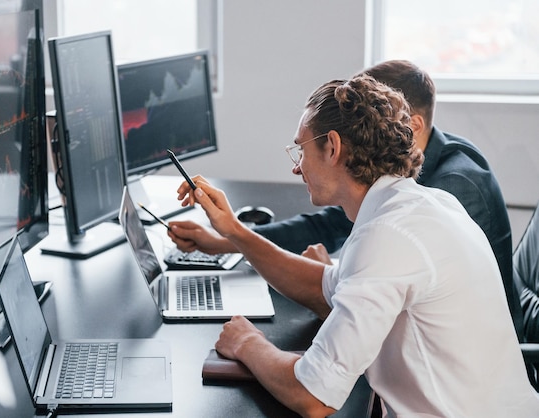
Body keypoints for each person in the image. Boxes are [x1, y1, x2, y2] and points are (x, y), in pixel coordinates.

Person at [169, 76, 539, 416]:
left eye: (301, 150)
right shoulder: (424, 206)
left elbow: (312, 396)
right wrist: (234, 232)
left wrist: (248, 343)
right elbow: (322, 287)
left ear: (332, 147)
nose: (297, 168)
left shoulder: (389, 236)